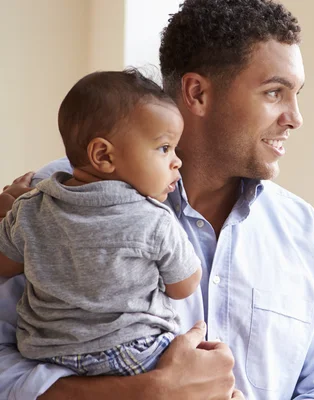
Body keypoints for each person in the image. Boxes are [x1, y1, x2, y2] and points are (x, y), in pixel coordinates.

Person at [0, 0, 314, 399]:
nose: (295, 117)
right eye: (274, 92)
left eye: (296, 95)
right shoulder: (51, 200)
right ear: (197, 93)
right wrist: (143, 393)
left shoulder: (304, 232)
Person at [0, 69, 202, 376]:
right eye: (164, 148)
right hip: (135, 356)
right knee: (205, 376)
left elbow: (4, 265)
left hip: (49, 357)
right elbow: (183, 286)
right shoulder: (155, 220)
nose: (177, 161)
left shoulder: (30, 208)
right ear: (103, 155)